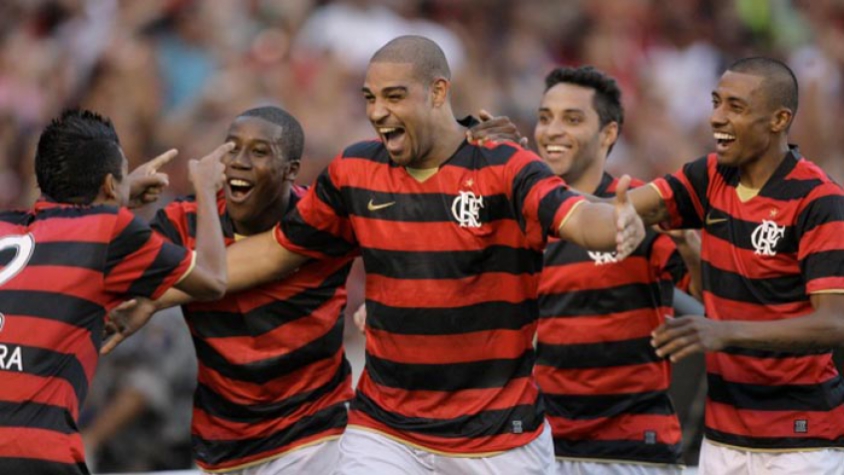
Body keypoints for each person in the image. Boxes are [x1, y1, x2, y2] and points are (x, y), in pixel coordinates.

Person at [175, 35, 644, 475]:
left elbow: (578, 217)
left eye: (394, 97)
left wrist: (618, 220)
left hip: (499, 436)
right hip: (385, 431)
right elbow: (274, 251)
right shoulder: (353, 171)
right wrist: (160, 287)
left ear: (439, 92)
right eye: (369, 98)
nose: (377, 112)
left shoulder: (505, 165)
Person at [105, 106, 358, 475]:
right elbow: (96, 268)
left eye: (259, 152)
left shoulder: (318, 219)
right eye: (231, 148)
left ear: (291, 169)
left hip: (312, 436)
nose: (239, 161)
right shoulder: (182, 222)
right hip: (222, 446)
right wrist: (118, 200)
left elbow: (399, 245)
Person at [632, 57, 844, 474]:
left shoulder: (820, 200)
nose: (716, 118)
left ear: (779, 119)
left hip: (802, 443)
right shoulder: (709, 176)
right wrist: (517, 174)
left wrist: (723, 331)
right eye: (716, 102)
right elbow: (614, 213)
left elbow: (834, 323)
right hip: (723, 438)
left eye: (736, 107)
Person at [0, 109, 230, 475]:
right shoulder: (107, 229)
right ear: (109, 185)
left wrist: (116, 193)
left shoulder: (6, 227)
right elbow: (213, 279)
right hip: (37, 456)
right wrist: (204, 189)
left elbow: (64, 223)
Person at [531, 65, 702, 475]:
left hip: (630, 451)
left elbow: (709, 298)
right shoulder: (524, 214)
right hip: (538, 446)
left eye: (572, 119)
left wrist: (690, 247)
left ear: (608, 133)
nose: (552, 130)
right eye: (544, 117)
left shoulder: (641, 209)